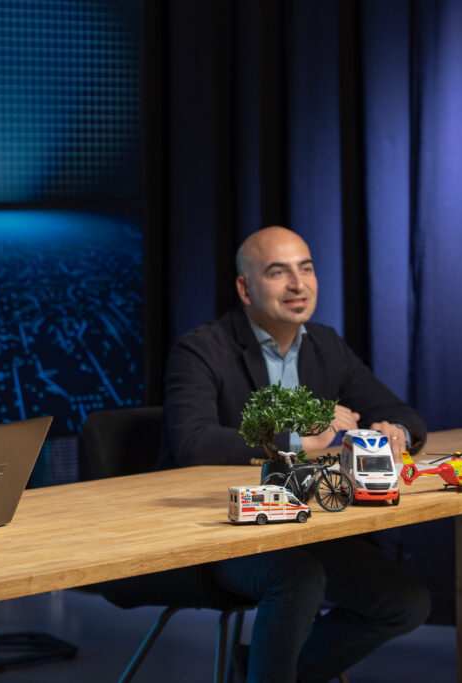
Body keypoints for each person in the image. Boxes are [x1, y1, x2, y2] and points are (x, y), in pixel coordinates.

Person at [155, 226, 430, 682]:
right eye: (278, 272)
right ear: (245, 288)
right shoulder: (200, 349)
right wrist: (297, 439)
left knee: (405, 602)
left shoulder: (326, 344)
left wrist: (395, 432)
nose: (298, 284)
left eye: (306, 269)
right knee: (296, 578)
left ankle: (256, 670)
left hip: (303, 523)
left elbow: (401, 412)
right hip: (220, 531)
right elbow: (194, 442)